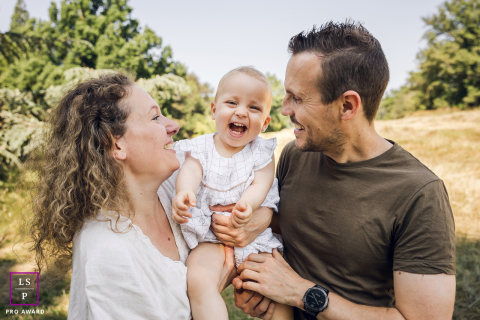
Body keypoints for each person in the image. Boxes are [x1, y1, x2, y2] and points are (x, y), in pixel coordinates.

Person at [232, 21, 456, 320]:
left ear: (348, 106)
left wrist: (301, 293)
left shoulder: (419, 194)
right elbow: (294, 234)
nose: (284, 110)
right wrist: (264, 290)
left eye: (297, 98)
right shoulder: (294, 157)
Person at [25, 73, 238, 319]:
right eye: (155, 117)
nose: (173, 125)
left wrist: (253, 225)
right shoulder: (108, 252)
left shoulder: (173, 183)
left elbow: (240, 176)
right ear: (117, 145)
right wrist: (208, 289)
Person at [171, 67, 291, 320]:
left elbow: (262, 183)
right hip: (211, 238)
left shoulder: (261, 152)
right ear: (214, 110)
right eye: (232, 102)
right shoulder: (201, 148)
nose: (241, 112)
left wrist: (248, 204)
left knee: (278, 291)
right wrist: (184, 192)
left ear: (265, 122)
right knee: (198, 279)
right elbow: (191, 172)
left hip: (256, 240)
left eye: (254, 108)